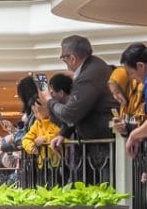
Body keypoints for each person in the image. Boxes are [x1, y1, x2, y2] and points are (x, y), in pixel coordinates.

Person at [43, 36, 118, 182]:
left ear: (72, 58)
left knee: (104, 192)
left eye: (62, 57)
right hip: (99, 145)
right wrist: (64, 133)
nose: (63, 62)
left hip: (102, 146)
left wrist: (49, 101)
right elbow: (83, 111)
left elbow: (70, 114)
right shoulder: (94, 67)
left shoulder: (88, 75)